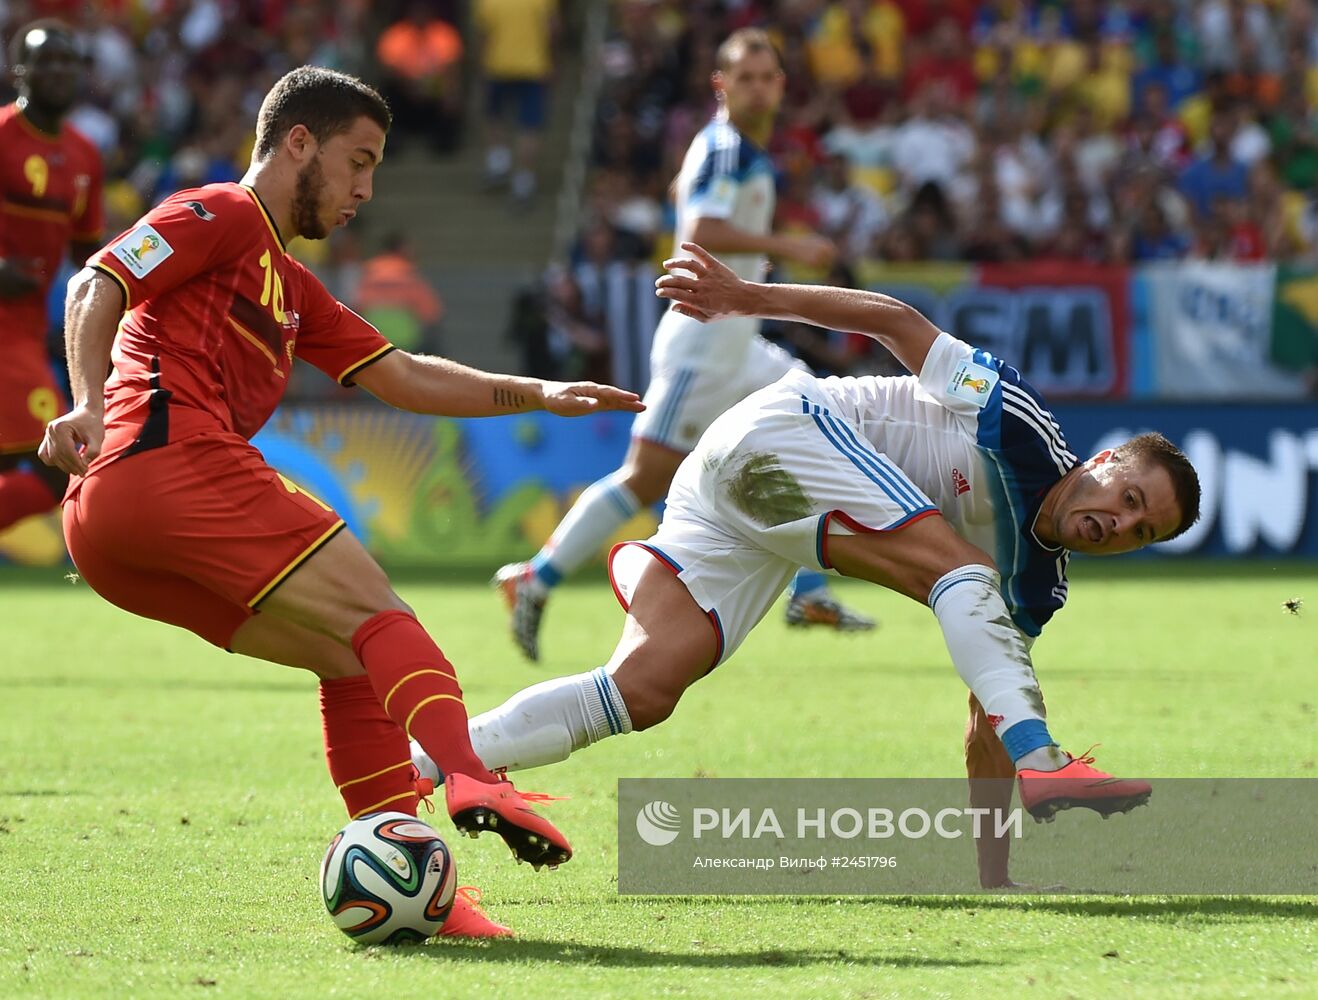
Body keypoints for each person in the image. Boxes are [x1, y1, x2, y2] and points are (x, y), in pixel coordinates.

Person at [38, 66, 643, 938]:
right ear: (297, 143)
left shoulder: (293, 288)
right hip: (166, 462)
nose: (364, 190)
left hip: (106, 530)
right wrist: (89, 399)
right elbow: (97, 280)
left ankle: (425, 887)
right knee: (382, 615)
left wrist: (538, 392)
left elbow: (402, 375)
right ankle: (471, 773)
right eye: (357, 162)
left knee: (354, 663)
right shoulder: (225, 212)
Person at [414, 242, 1202, 886]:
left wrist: (994, 879)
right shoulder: (1019, 420)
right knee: (957, 571)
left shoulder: (1038, 584)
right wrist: (744, 297)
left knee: (642, 691)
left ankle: (422, 764)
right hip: (783, 429)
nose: (1119, 522)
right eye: (1128, 494)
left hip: (740, 508)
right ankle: (1051, 764)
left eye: (1141, 530)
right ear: (1102, 461)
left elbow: (983, 726)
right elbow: (896, 319)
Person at [495, 28, 872, 664]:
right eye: (744, 77)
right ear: (721, 86)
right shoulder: (729, 149)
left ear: (782, 86)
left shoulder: (726, 148)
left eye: (767, 76)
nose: (757, 87)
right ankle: (535, 578)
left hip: (738, 344)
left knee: (816, 418)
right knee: (644, 478)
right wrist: (794, 249)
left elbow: (684, 202)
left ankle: (807, 591)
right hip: (702, 346)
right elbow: (699, 227)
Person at [0, 21, 104, 534]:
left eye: (70, 62)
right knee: (56, 460)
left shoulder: (85, 155)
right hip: (4, 332)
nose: (61, 71)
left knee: (56, 461)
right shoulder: (0, 136)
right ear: (20, 71)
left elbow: (90, 252)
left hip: (24, 333)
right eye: (48, 60)